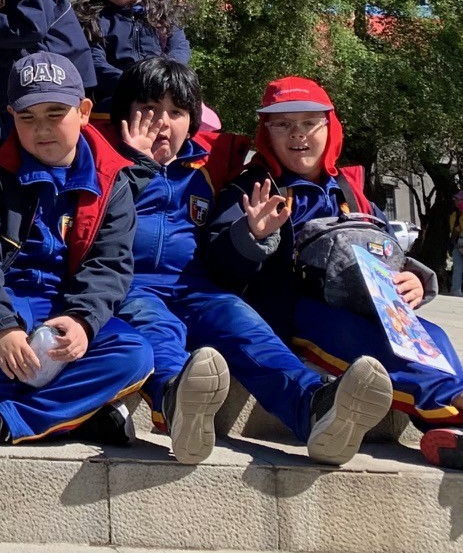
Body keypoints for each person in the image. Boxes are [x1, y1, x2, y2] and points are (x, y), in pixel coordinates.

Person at [202, 76, 463, 474]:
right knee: (364, 340)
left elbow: (386, 248)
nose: (298, 135)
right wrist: (250, 235)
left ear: (329, 126)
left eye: (309, 123)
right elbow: (219, 264)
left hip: (371, 302)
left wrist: (415, 278)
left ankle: (453, 426)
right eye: (283, 125)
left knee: (433, 334)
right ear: (265, 132)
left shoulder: (348, 188)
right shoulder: (251, 187)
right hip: (296, 309)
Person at [107, 58, 392, 466]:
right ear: (125, 114)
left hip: (198, 287)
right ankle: (176, 400)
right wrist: (134, 165)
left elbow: (226, 246)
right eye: (149, 111)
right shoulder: (102, 162)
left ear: (193, 121)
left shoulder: (205, 170)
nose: (162, 124)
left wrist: (251, 234)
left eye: (176, 113)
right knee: (156, 327)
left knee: (244, 326)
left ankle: (315, 409)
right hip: (130, 285)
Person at [0, 52, 152, 450]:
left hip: (64, 306)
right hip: (1, 301)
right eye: (27, 117)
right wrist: (2, 328)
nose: (42, 129)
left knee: (135, 355)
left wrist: (82, 320)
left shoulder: (113, 178)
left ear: (83, 111)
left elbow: (111, 266)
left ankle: (8, 422)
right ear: (11, 116)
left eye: (55, 113)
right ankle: (80, 415)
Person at [73, 0, 189, 112]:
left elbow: (180, 50)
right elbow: (95, 61)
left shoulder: (163, 16)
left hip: (165, 94)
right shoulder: (94, 21)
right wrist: (134, 84)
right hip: (116, 101)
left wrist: (160, 79)